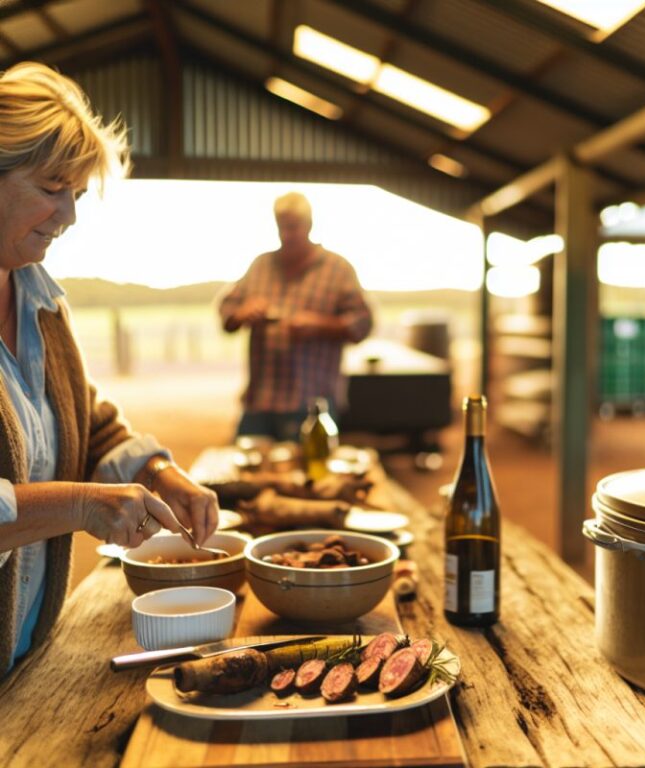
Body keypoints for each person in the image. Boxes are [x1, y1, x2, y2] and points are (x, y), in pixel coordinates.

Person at [0, 62, 219, 675]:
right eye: (51, 188)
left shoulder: (41, 302)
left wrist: (159, 471)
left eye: (74, 192)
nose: (68, 215)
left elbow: (86, 424)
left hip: (21, 662)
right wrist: (78, 505)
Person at [218, 191, 373, 440]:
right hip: (260, 401)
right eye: (281, 227)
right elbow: (227, 311)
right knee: (248, 472)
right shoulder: (261, 265)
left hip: (311, 403)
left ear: (309, 225)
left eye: (293, 227)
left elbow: (363, 324)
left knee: (310, 474)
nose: (286, 235)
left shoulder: (337, 269)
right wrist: (241, 313)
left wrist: (320, 325)